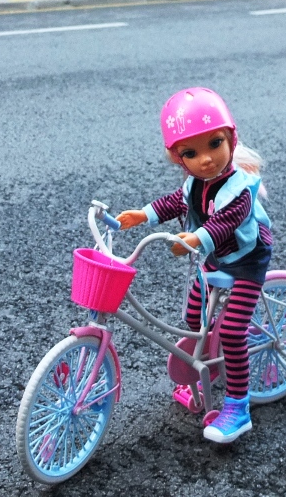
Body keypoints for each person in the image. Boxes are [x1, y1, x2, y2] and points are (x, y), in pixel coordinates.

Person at [116, 87, 273, 444]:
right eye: (191, 153)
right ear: (178, 158)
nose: (205, 160)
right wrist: (142, 215)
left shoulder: (239, 190)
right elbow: (176, 202)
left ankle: (238, 407)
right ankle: (213, 359)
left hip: (246, 261)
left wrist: (196, 239)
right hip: (216, 257)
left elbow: (226, 222)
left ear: (231, 139)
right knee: (194, 315)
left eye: (215, 144)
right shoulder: (195, 184)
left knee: (231, 331)